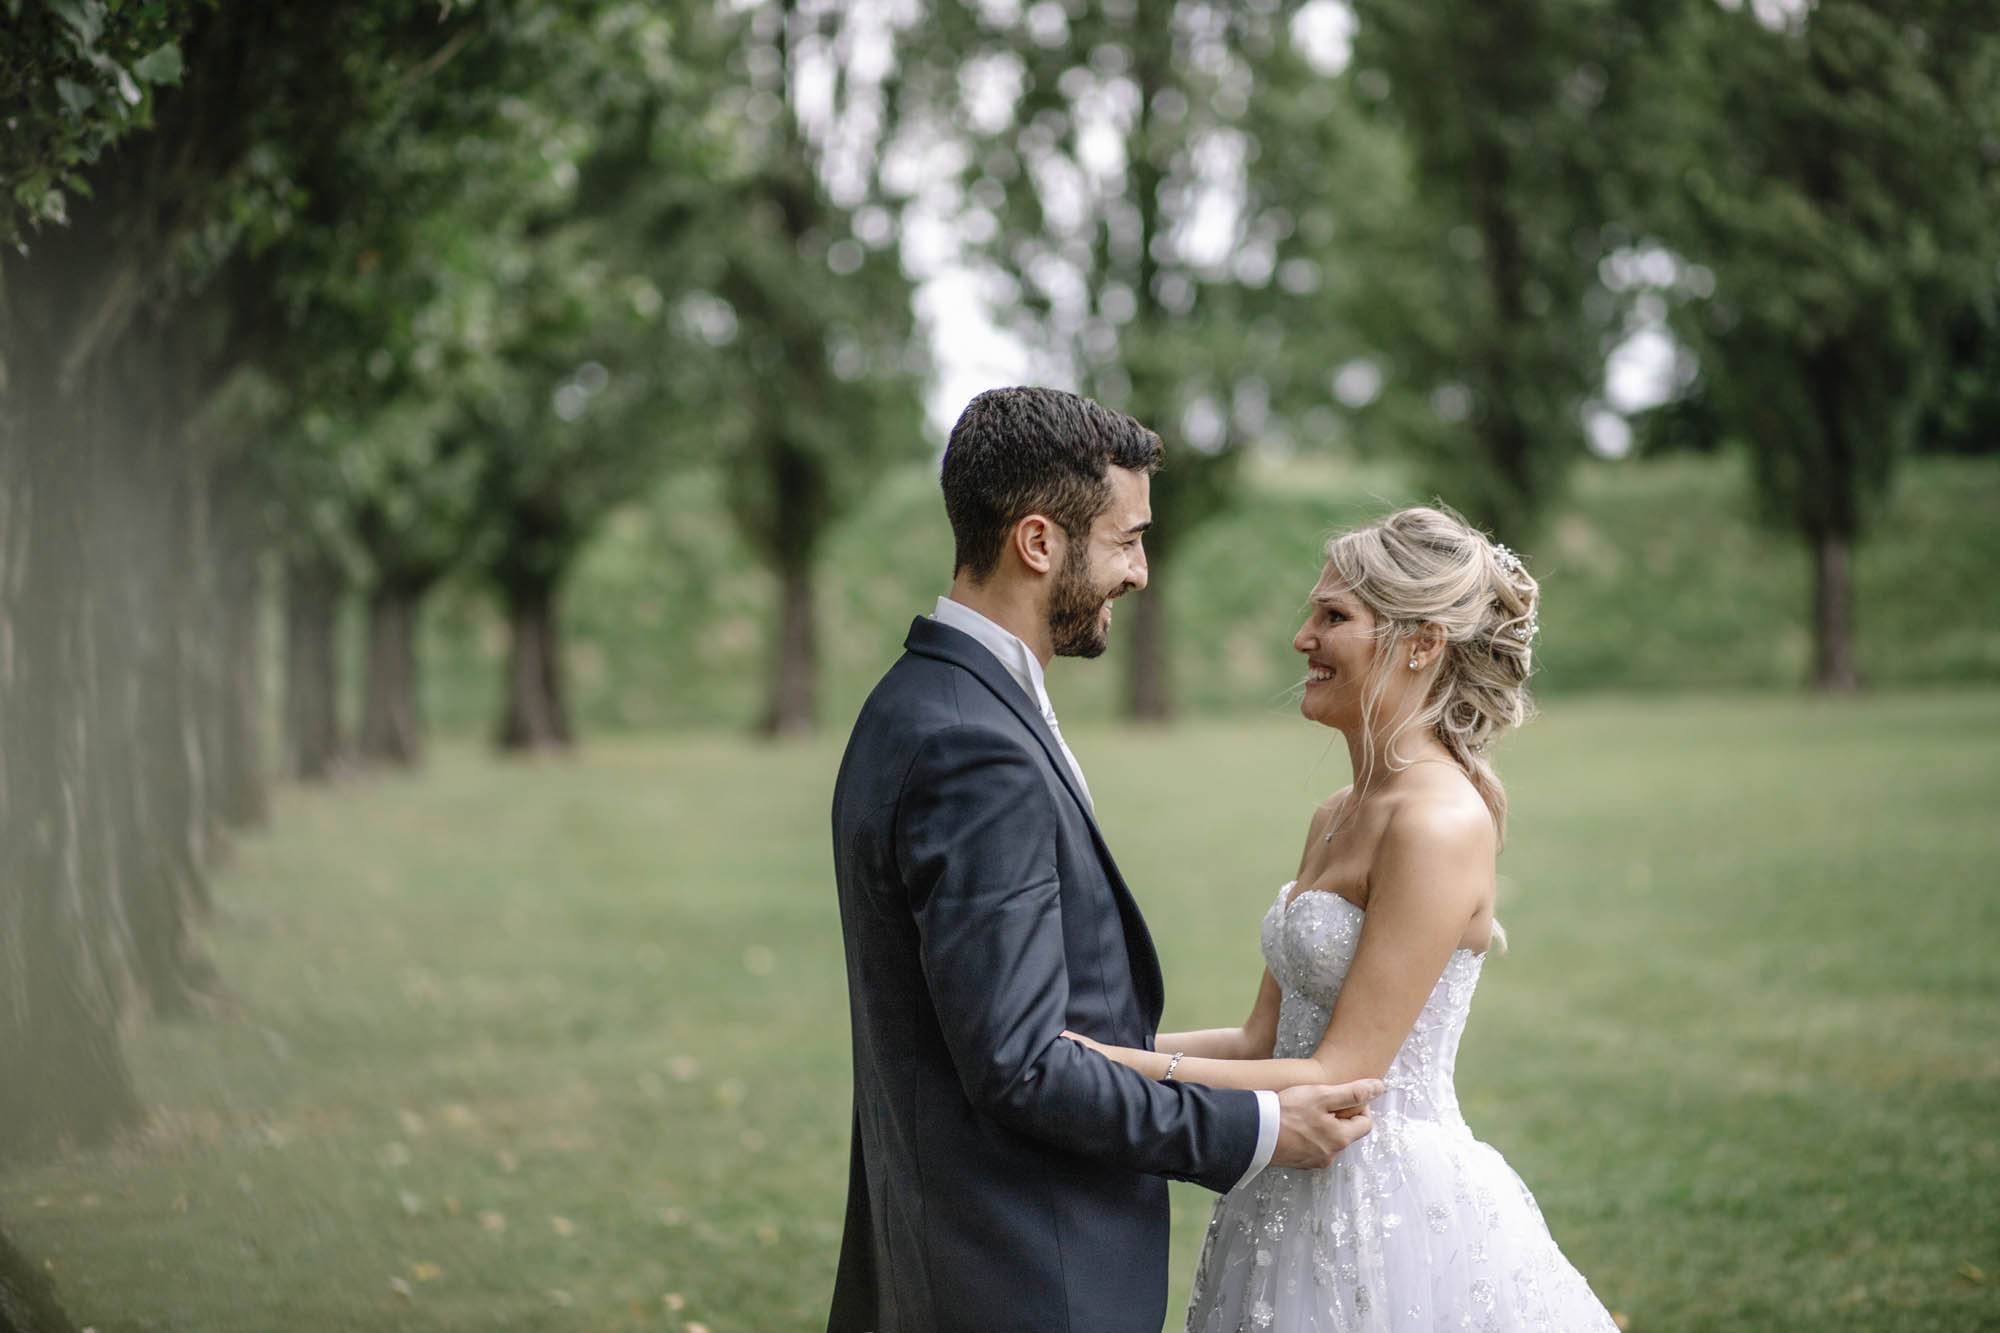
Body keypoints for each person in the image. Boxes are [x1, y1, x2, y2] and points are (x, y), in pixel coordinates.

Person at [827, 387, 1384, 1333]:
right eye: (1125, 540)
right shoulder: (975, 747)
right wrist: (1257, 1129)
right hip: (1021, 1270)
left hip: (954, 1249)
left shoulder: (914, 701)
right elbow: (1022, 1065)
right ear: (1039, 543)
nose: (1140, 573)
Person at [1061, 506, 1619, 1331]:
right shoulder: (1334, 814)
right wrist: (1089, 1050)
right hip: (1279, 1186)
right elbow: (1262, 1042)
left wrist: (1112, 1069)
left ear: (1421, 643)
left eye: (1333, 617)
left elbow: (1339, 1071)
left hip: (1385, 1204)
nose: (1301, 638)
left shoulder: (1438, 822)